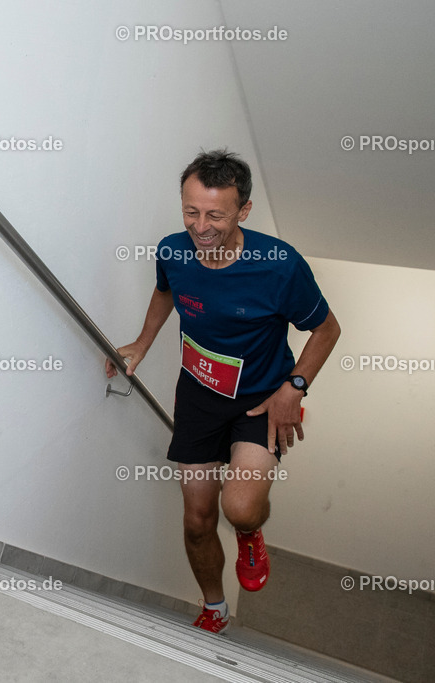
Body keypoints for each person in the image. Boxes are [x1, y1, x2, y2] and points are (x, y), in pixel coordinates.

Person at [106, 149, 341, 634]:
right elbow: (166, 289)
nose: (200, 225)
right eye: (191, 211)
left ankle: (250, 534)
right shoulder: (173, 249)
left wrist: (294, 387)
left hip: (261, 399)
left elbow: (327, 330)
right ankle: (215, 608)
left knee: (238, 507)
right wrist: (143, 342)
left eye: (215, 214)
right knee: (196, 520)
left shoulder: (279, 266)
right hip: (198, 396)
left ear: (243, 211)